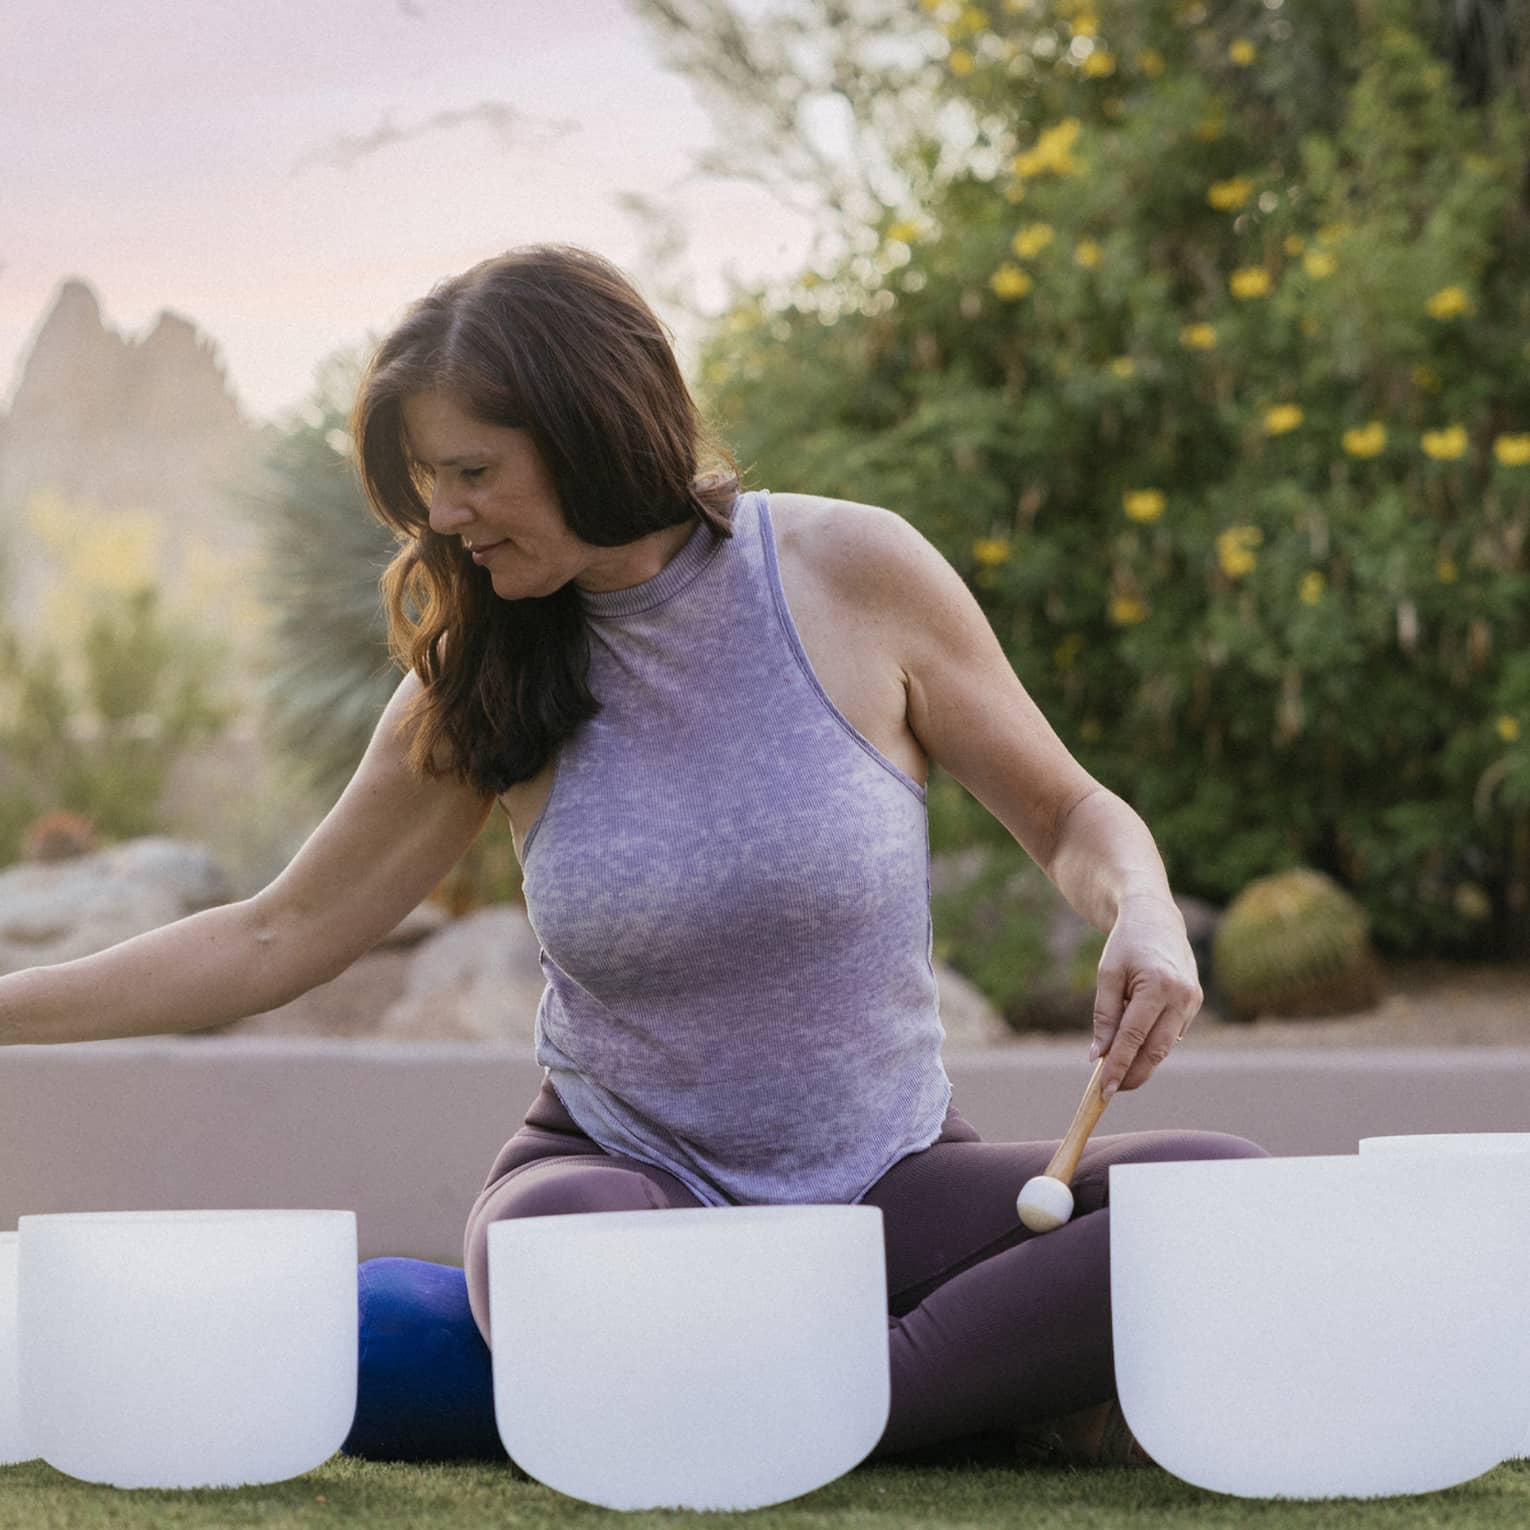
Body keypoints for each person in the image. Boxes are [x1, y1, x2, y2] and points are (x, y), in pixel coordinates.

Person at [0, 243, 1271, 1470]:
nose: (444, 515)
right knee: (566, 1252)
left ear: (590, 425)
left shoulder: (853, 571)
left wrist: (1144, 912)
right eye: (425, 485)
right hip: (618, 1193)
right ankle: (957, 1398)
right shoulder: (479, 676)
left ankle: (761, 1409)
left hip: (885, 1193)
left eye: (472, 472)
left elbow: (1072, 819)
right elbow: (274, 935)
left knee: (1222, 1199)